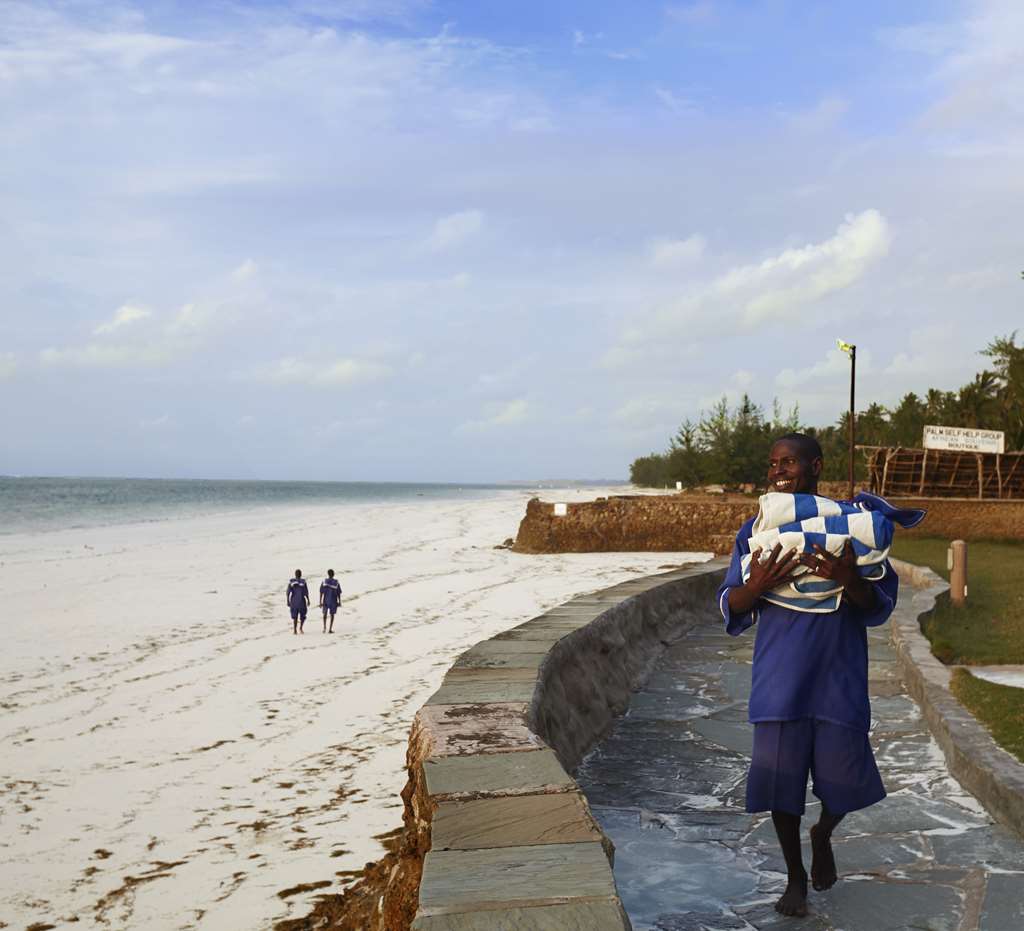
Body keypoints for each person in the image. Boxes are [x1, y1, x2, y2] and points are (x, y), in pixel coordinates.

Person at [716, 433, 908, 918]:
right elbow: (730, 602)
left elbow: (878, 605)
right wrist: (757, 585)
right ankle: (795, 876)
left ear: (816, 466)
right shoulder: (758, 528)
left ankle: (823, 833)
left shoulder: (852, 527)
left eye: (789, 462)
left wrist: (849, 579)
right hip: (780, 677)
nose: (778, 471)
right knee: (780, 785)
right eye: (773, 464)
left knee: (844, 781)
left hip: (838, 674)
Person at [287, 569, 310, 635]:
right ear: (301, 574)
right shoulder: (303, 582)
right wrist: (308, 600)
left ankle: (295, 630)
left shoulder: (292, 582)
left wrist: (288, 600)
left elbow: (288, 592)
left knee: (295, 616)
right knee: (303, 616)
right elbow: (306, 592)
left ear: (295, 574)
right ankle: (300, 628)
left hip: (294, 601)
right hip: (301, 601)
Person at [319, 569, 342, 633]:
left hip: (325, 600)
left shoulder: (324, 582)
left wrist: (320, 601)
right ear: (333, 574)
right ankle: (330, 629)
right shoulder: (336, 582)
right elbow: (338, 593)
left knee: (325, 614)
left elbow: (321, 592)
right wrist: (339, 601)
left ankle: (324, 627)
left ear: (328, 574)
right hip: (333, 600)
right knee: (332, 615)